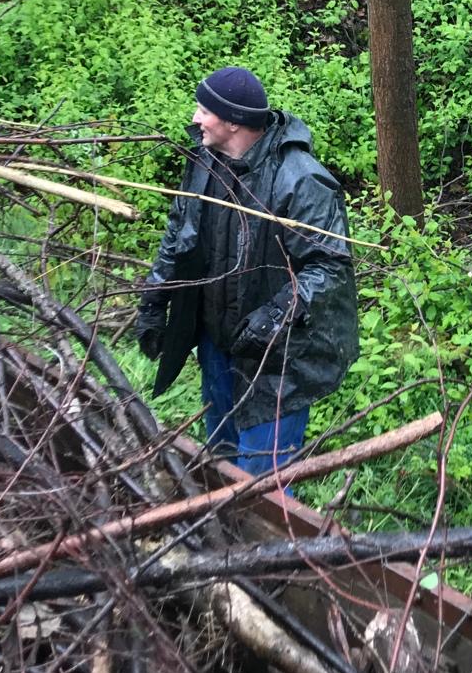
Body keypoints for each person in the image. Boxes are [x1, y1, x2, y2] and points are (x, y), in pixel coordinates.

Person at [135, 66, 358, 478]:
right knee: (219, 463)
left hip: (277, 361)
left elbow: (329, 267)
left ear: (234, 121)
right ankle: (223, 536)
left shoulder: (300, 180)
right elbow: (178, 231)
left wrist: (274, 316)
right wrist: (153, 301)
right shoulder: (205, 160)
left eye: (204, 111)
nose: (195, 119)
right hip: (218, 344)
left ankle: (272, 543)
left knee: (262, 486)